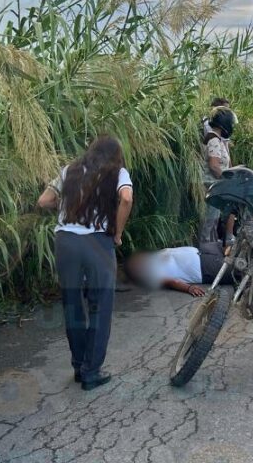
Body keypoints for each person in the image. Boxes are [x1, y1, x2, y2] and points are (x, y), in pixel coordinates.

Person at [37, 136, 134, 391]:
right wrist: (118, 233)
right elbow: (126, 199)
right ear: (116, 155)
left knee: (72, 304)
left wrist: (70, 206)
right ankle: (92, 371)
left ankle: (79, 366)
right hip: (97, 244)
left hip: (65, 242)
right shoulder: (118, 173)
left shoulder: (69, 170)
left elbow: (43, 201)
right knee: (100, 306)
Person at [124, 242, 226, 297]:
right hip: (204, 267)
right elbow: (172, 282)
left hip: (204, 250)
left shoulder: (152, 256)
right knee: (238, 269)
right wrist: (189, 288)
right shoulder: (151, 275)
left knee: (236, 248)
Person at [201, 107, 237, 245]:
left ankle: (211, 246)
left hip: (215, 186)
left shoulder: (217, 139)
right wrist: (227, 179)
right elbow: (214, 165)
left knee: (213, 219)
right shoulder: (214, 140)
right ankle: (206, 250)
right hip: (212, 186)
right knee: (209, 221)